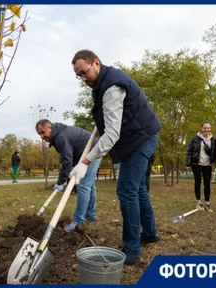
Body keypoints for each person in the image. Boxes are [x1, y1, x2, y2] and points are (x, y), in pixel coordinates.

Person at [70, 49, 161, 265]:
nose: (83, 79)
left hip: (140, 138)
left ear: (97, 64)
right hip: (140, 136)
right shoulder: (104, 82)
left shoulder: (111, 88)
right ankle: (149, 234)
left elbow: (111, 134)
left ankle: (132, 248)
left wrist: (85, 162)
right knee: (137, 189)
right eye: (79, 76)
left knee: (126, 190)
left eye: (84, 72)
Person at [35, 119, 100, 232]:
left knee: (83, 185)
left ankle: (78, 221)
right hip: (87, 152)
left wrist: (61, 182)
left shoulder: (60, 137)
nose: (41, 136)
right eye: (39, 134)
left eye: (42, 132)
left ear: (50, 127)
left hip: (92, 151)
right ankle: (90, 215)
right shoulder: (59, 133)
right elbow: (70, 156)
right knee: (90, 185)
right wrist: (69, 172)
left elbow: (66, 160)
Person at [185, 121, 216, 212]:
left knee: (207, 184)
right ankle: (198, 203)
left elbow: (215, 151)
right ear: (201, 128)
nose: (206, 129)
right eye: (204, 128)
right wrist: (188, 163)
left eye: (208, 128)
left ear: (210, 129)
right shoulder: (195, 139)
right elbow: (189, 151)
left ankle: (207, 204)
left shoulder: (213, 139)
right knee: (197, 183)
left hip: (207, 165)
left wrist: (215, 161)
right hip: (196, 164)